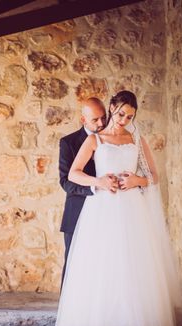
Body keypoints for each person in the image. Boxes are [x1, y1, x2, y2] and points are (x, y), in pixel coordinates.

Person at [54, 90, 182, 326]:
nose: (124, 119)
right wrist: (98, 181)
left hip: (132, 208)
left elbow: (154, 177)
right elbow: (73, 174)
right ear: (112, 107)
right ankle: (100, 321)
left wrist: (137, 180)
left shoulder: (137, 140)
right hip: (102, 207)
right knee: (102, 262)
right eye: (121, 113)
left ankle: (133, 322)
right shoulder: (95, 140)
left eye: (129, 116)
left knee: (132, 262)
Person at [58, 98, 118, 287]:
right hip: (77, 212)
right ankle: (67, 314)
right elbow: (66, 182)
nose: (101, 124)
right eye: (95, 120)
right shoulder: (68, 143)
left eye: (104, 118)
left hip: (107, 211)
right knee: (74, 264)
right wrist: (95, 186)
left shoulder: (114, 138)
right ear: (83, 119)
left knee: (104, 264)